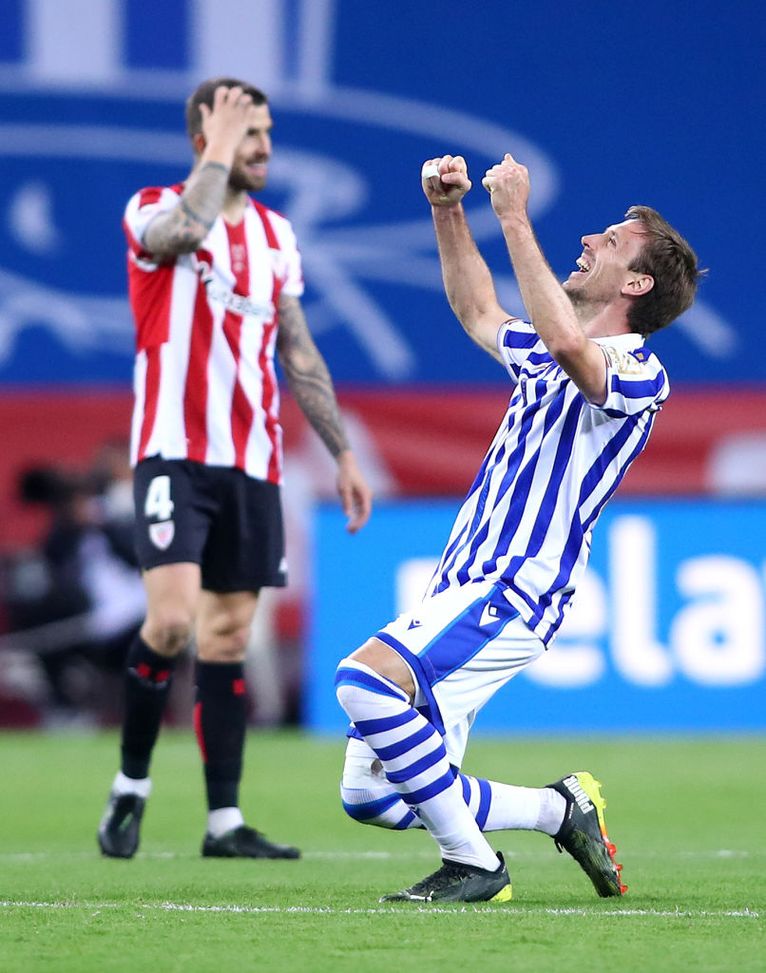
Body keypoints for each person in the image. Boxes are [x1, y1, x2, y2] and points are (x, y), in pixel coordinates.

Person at [335, 152, 701, 902]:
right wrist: (447, 211)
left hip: (514, 587)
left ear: (636, 285)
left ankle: (476, 866)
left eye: (612, 240)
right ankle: (557, 810)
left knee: (363, 680)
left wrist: (512, 216)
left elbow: (572, 347)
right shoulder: (541, 351)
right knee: (372, 795)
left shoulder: (640, 372)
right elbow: (477, 309)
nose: (590, 240)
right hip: (461, 583)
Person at [98, 78, 372, 860]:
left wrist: (342, 449)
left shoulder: (278, 236)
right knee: (171, 620)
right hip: (173, 454)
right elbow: (182, 232)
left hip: (252, 462)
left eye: (266, 132)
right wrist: (218, 146)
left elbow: (298, 349)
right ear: (205, 137)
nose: (264, 147)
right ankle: (131, 785)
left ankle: (224, 821)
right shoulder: (153, 207)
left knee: (226, 636)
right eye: (249, 132)